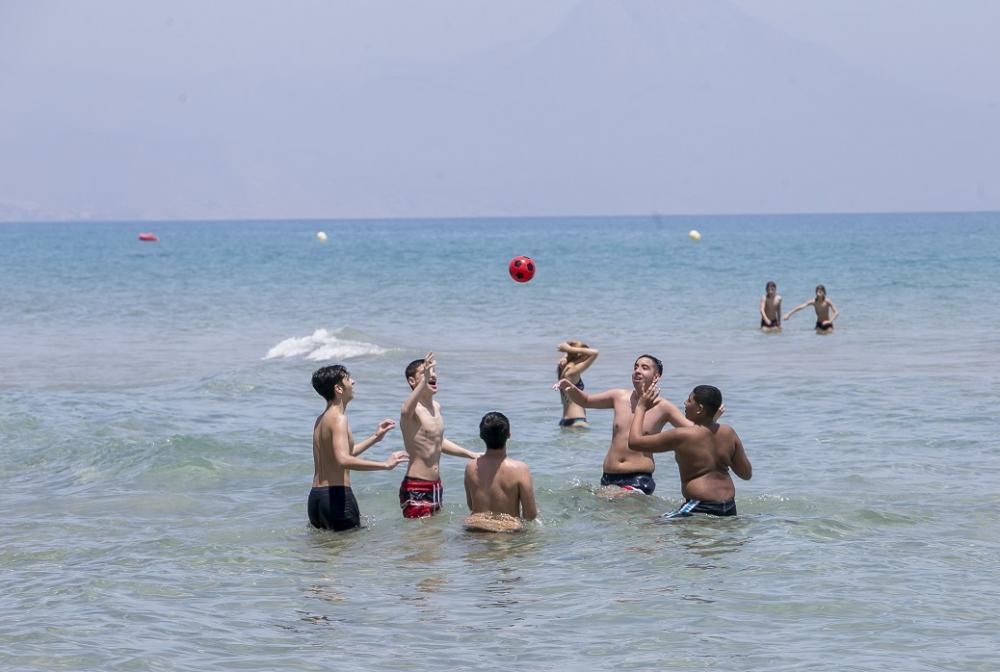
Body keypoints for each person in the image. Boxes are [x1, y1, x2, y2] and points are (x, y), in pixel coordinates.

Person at [554, 354, 689, 496]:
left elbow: (693, 430)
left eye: (645, 368)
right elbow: (586, 400)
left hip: (638, 479)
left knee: (612, 503)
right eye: (636, 367)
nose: (637, 370)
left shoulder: (664, 407)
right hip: (608, 477)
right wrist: (570, 386)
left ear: (656, 376)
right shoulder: (618, 396)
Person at [308, 365, 408, 531]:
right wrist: (385, 464)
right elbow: (343, 460)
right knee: (348, 553)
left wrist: (375, 438)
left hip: (317, 499)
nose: (353, 382)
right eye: (348, 379)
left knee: (325, 553)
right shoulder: (339, 419)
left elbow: (340, 455)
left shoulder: (322, 419)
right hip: (337, 497)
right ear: (338, 388)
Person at [628, 383, 751, 518]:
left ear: (699, 409)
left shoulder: (682, 435)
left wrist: (641, 407)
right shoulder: (728, 432)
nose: (685, 403)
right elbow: (746, 474)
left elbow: (634, 442)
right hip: (729, 506)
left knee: (646, 525)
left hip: (700, 505)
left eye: (689, 400)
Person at [399, 352, 480, 518]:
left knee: (434, 539)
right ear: (412, 381)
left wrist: (470, 454)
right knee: (422, 538)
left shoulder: (436, 406)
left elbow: (438, 442)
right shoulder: (412, 410)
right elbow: (405, 410)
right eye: (426, 372)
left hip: (435, 485)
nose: (432, 374)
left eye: (434, 371)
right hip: (416, 485)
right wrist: (424, 381)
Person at [463, 411, 539, 532]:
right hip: (508, 532)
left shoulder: (470, 467)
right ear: (509, 435)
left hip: (475, 529)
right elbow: (530, 515)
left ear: (481, 436)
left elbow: (471, 506)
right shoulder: (520, 469)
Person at [556, 340, 600, 428]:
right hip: (578, 421)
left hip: (564, 420)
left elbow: (562, 346)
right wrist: (570, 348)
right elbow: (595, 352)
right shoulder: (572, 371)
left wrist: (568, 349)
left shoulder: (563, 369)